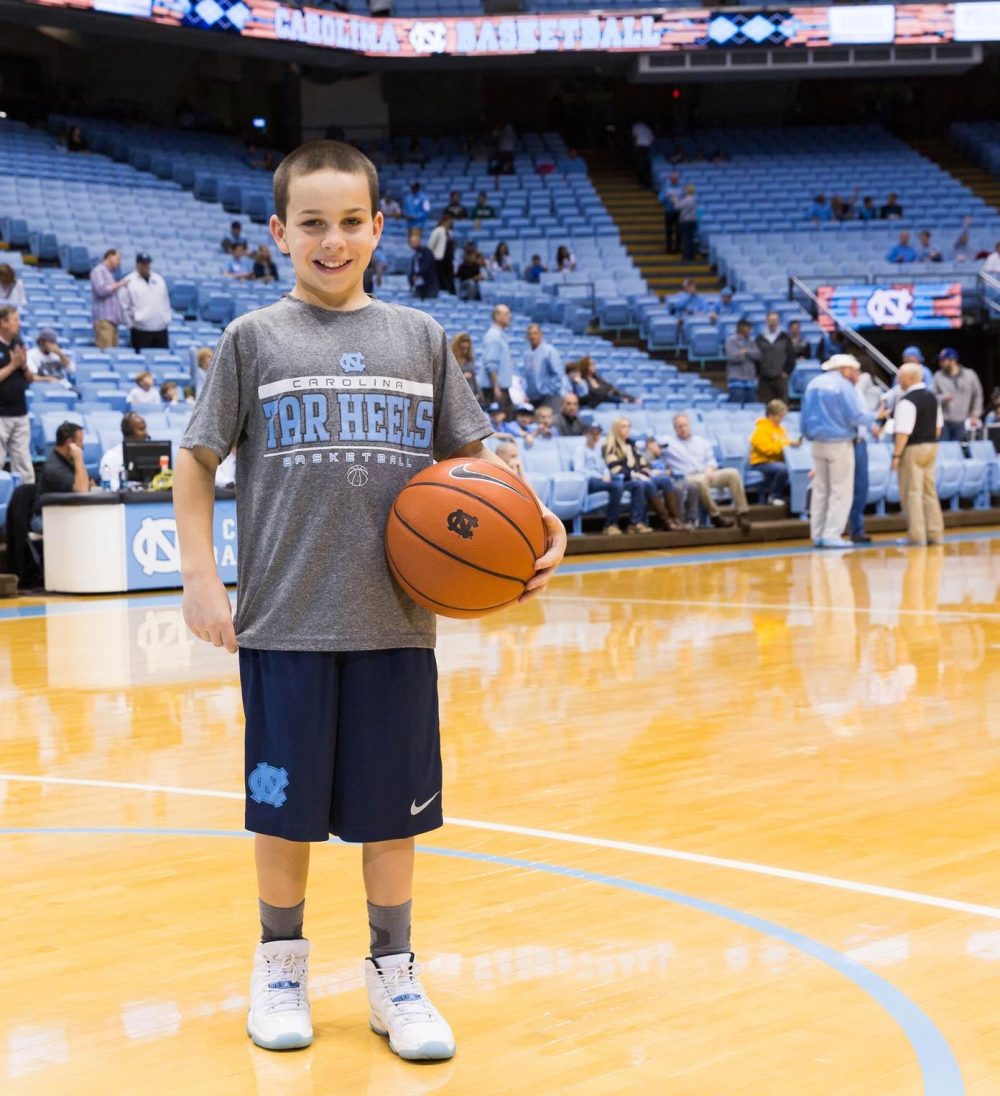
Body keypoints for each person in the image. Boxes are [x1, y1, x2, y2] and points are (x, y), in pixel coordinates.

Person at [174, 139, 565, 1063]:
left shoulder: (419, 339)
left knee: (393, 815)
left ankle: (394, 973)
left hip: (396, 625)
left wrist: (539, 518)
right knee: (283, 814)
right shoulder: (252, 340)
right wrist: (200, 576)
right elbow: (195, 461)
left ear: (379, 228)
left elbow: (479, 464)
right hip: (284, 622)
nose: (332, 239)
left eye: (351, 222)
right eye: (312, 223)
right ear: (279, 232)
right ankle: (280, 964)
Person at [800, 354, 877, 549]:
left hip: (817, 443)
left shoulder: (813, 384)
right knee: (840, 490)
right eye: (854, 370)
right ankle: (832, 534)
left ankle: (817, 534)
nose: (855, 374)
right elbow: (855, 416)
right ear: (844, 369)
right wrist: (876, 415)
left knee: (820, 490)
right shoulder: (843, 386)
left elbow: (803, 416)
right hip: (839, 442)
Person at [663, 413, 751, 531]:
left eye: (685, 425)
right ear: (675, 429)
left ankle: (742, 513)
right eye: (679, 426)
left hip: (707, 472)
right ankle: (716, 516)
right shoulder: (669, 444)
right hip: (688, 477)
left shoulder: (701, 441)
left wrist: (710, 468)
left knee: (733, 473)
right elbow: (649, 447)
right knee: (700, 482)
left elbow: (711, 459)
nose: (683, 429)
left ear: (689, 426)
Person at [893, 362, 944, 546]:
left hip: (913, 448)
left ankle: (917, 535)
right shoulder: (932, 397)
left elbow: (902, 432)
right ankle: (935, 533)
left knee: (912, 492)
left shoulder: (907, 401)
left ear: (912, 378)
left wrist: (896, 456)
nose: (898, 379)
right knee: (929, 491)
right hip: (932, 447)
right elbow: (938, 428)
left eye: (901, 376)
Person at [603, 416, 675, 534]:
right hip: (622, 480)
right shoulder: (610, 446)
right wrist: (634, 475)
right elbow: (615, 469)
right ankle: (640, 522)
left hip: (638, 477)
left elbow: (642, 463)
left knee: (665, 480)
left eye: (628, 426)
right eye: (623, 427)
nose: (627, 429)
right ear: (616, 429)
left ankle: (674, 518)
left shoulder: (631, 444)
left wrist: (647, 471)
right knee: (642, 484)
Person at [32, 421, 90, 530]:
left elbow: (90, 484)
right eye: (80, 442)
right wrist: (79, 458)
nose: (83, 446)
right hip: (45, 517)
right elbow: (83, 491)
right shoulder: (53, 467)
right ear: (70, 443)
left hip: (64, 512)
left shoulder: (70, 461)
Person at [570, 423, 625, 535]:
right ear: (586, 434)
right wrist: (600, 476)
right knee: (617, 486)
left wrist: (606, 474)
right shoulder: (580, 450)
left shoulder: (598, 449)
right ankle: (610, 525)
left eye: (598, 433)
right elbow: (578, 469)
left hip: (601, 479)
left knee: (623, 482)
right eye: (593, 433)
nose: (596, 436)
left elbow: (603, 466)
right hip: (589, 481)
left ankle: (629, 523)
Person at [0, 305, 34, 485]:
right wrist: (13, 365)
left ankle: (26, 505)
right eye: (15, 320)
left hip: (20, 412)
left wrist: (23, 366)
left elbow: (29, 378)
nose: (19, 324)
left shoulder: (18, 344)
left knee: (23, 465)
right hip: (1, 414)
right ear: (2, 322)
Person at [749, 399, 799, 505]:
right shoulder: (760, 430)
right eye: (780, 416)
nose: (781, 419)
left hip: (776, 461)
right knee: (782, 469)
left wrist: (790, 444)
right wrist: (785, 444)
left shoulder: (781, 429)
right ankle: (774, 496)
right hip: (761, 462)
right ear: (771, 415)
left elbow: (783, 443)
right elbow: (767, 450)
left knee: (793, 468)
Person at [120, 252, 171, 350]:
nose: (146, 266)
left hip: (160, 328)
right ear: (137, 265)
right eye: (143, 264)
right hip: (141, 329)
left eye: (147, 264)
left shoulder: (159, 279)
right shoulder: (129, 281)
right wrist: (130, 324)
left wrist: (167, 319)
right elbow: (124, 306)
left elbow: (166, 301)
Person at [932, 348, 983, 441]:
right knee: (945, 449)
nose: (940, 362)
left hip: (963, 419)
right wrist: (943, 398)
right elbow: (932, 397)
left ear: (952, 360)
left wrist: (975, 414)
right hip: (944, 420)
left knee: (961, 449)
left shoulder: (969, 375)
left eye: (943, 360)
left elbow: (978, 395)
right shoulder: (938, 375)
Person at [89, 248, 129, 348]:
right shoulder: (98, 270)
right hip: (104, 320)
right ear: (110, 256)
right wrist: (119, 284)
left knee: (114, 353)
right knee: (106, 352)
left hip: (112, 322)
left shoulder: (109, 274)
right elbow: (101, 290)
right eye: (118, 258)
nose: (119, 262)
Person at [99, 411, 149, 490]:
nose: (146, 433)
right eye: (141, 429)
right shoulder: (111, 458)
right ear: (128, 433)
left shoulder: (150, 454)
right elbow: (113, 489)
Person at [755, 312, 796, 404]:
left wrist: (787, 371)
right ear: (767, 322)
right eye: (771, 320)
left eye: (775, 320)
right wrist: (758, 372)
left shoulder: (785, 337)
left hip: (780, 378)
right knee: (764, 405)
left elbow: (791, 356)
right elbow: (755, 357)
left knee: (782, 405)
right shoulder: (760, 338)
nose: (773, 323)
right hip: (764, 379)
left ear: (778, 322)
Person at [522, 324, 563, 412]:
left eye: (535, 333)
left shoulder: (550, 351)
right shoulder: (527, 354)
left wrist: (547, 391)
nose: (532, 336)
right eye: (530, 334)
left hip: (548, 397)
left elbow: (557, 375)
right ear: (526, 337)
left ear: (541, 335)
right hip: (532, 398)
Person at [480, 304, 514, 410]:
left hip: (498, 387)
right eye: (506, 314)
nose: (510, 316)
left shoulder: (499, 335)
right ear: (497, 316)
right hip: (495, 389)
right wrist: (496, 387)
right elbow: (491, 364)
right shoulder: (494, 336)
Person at [565, 357, 635, 408]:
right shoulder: (583, 380)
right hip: (590, 406)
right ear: (585, 366)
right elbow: (594, 395)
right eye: (592, 364)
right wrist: (619, 399)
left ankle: (628, 399)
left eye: (594, 364)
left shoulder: (598, 379)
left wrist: (630, 398)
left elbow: (611, 388)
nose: (594, 366)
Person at [724, 317, 760, 406]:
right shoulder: (731, 341)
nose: (749, 330)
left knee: (751, 406)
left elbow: (758, 355)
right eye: (747, 327)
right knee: (736, 406)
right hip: (736, 379)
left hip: (750, 379)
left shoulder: (751, 342)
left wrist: (746, 352)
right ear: (740, 328)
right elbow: (733, 357)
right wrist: (747, 355)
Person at [427, 215, 456, 296]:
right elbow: (431, 245)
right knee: (440, 278)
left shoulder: (450, 233)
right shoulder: (437, 231)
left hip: (448, 259)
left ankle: (451, 293)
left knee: (450, 278)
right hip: (439, 259)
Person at [407, 229, 438, 300]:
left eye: (414, 242)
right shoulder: (415, 255)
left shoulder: (426, 252)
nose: (412, 244)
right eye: (411, 242)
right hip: (418, 285)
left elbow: (426, 266)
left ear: (419, 241)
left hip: (429, 285)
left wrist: (417, 274)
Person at [450, 332, 480, 402]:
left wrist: (477, 394)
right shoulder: (451, 360)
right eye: (462, 348)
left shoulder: (470, 359)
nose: (465, 351)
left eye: (467, 348)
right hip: (457, 396)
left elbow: (474, 379)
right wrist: (462, 376)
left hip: (472, 395)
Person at [658, 171, 682, 253]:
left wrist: (679, 199)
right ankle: (669, 248)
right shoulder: (666, 188)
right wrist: (667, 195)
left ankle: (678, 247)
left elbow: (685, 199)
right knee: (669, 230)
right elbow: (660, 199)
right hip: (669, 211)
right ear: (670, 179)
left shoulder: (681, 188)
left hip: (679, 212)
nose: (675, 180)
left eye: (676, 178)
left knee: (679, 230)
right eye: (673, 179)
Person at [676, 184, 698, 262]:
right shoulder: (694, 198)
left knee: (686, 239)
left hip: (686, 221)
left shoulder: (688, 199)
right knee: (690, 238)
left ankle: (687, 256)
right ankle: (691, 256)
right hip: (692, 221)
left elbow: (677, 206)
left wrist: (674, 198)